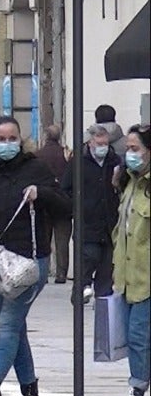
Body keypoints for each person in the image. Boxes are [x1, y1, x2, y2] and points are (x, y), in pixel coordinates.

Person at [0, 114, 71, 396]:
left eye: (13, 138)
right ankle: (30, 394)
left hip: (29, 262)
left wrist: (43, 194)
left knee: (9, 326)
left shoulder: (36, 168)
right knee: (16, 328)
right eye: (1, 139)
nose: (8, 144)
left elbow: (65, 206)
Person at [110, 125, 149, 396]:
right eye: (128, 149)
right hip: (128, 275)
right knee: (136, 335)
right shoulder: (130, 184)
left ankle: (136, 393)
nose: (129, 154)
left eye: (136, 148)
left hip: (147, 277)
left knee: (139, 336)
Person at [62, 125, 124, 306]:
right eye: (99, 143)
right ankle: (80, 293)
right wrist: (78, 207)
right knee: (87, 260)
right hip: (87, 224)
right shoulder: (78, 163)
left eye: (105, 143)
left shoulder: (115, 162)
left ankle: (103, 300)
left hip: (110, 225)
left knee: (107, 267)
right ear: (90, 143)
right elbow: (65, 189)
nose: (102, 147)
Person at [37, 124, 71, 284]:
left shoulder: (38, 155)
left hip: (43, 202)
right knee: (62, 240)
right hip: (63, 202)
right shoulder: (65, 154)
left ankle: (42, 273)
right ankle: (61, 273)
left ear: (45, 137)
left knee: (43, 240)